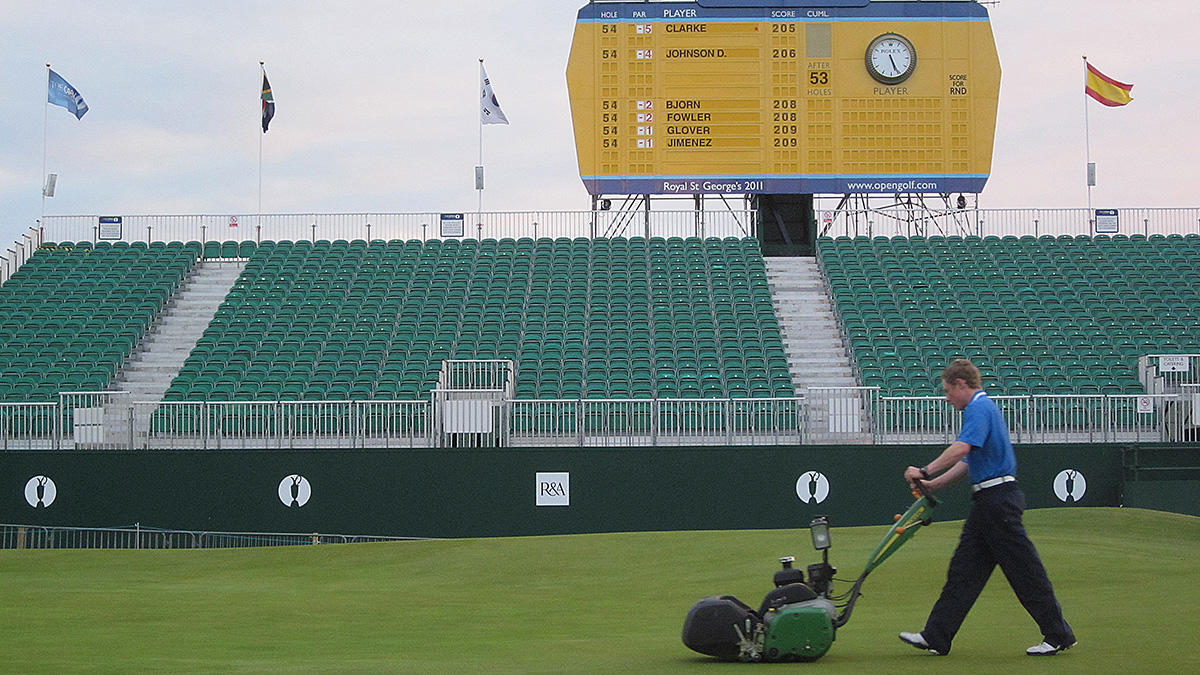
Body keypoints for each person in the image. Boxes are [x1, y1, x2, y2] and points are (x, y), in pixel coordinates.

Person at [897, 359, 1076, 656]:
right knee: (963, 572)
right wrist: (933, 485)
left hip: (999, 501)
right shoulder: (982, 409)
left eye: (947, 390)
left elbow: (961, 449)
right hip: (988, 503)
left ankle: (1057, 634)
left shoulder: (978, 407)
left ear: (961, 384)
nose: (946, 397)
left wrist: (924, 471)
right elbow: (969, 463)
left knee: (1025, 571)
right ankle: (936, 636)